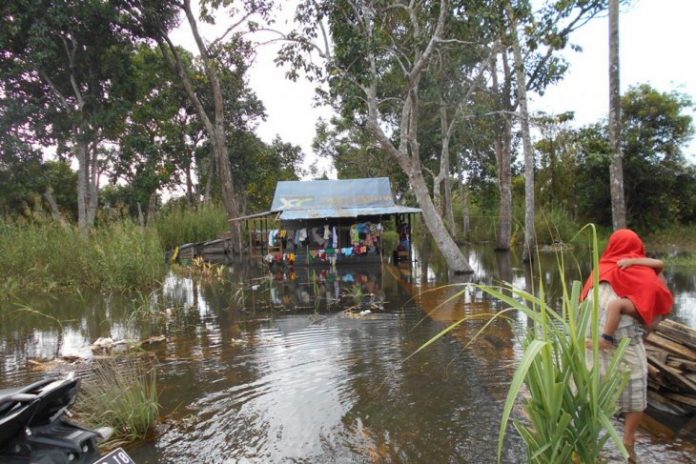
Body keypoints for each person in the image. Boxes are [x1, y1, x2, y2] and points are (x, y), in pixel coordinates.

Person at [581, 229, 674, 463]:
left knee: (594, 389)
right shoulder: (647, 274)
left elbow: (582, 305)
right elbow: (661, 306)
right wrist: (647, 332)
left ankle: (590, 437)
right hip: (628, 344)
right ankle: (629, 439)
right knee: (634, 391)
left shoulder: (600, 271)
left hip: (595, 342)